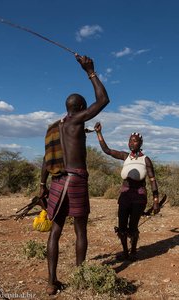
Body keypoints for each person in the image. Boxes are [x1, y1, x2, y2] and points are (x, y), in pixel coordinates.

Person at [39, 54, 110, 295]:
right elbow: (103, 100)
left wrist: (41, 184)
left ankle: (51, 282)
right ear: (80, 109)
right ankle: (79, 277)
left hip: (58, 181)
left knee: (55, 230)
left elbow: (46, 158)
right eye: (84, 107)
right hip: (76, 180)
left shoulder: (55, 128)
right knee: (81, 230)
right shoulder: (77, 120)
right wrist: (90, 71)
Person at [94, 122, 160, 261]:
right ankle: (125, 252)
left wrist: (156, 201)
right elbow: (107, 150)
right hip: (125, 195)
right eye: (130, 141)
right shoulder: (125, 157)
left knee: (133, 226)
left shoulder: (145, 159)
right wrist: (99, 133)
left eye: (135, 141)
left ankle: (134, 251)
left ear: (140, 143)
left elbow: (152, 180)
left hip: (139, 196)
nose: (131, 143)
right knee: (122, 225)